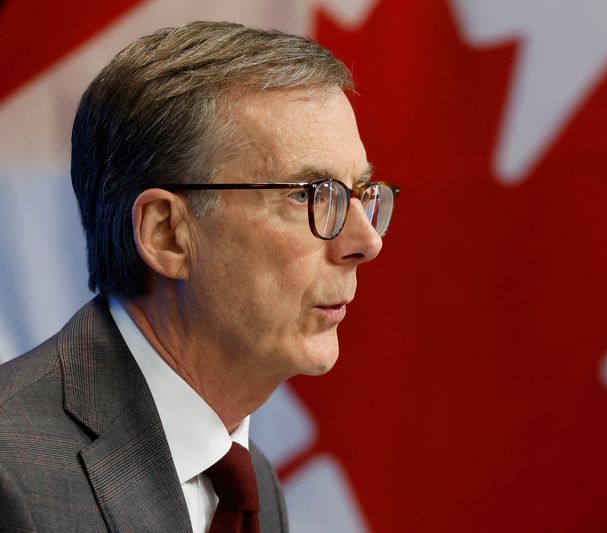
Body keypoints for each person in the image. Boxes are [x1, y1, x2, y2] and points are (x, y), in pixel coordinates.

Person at [0, 21, 398, 532]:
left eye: (360, 193)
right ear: (167, 234)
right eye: (308, 194)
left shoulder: (248, 482)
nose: (366, 242)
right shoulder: (12, 474)